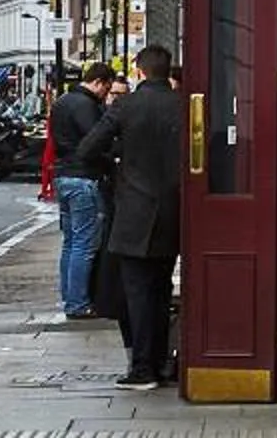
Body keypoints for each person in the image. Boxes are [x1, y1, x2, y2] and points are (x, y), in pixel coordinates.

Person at [80, 43, 182, 389]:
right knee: (161, 290)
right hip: (173, 209)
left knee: (137, 294)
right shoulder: (184, 105)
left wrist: (117, 162)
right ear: (167, 71)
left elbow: (87, 149)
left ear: (139, 70)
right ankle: (161, 363)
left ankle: (142, 369)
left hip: (134, 210)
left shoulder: (126, 106)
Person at [49, 63, 117, 318]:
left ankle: (69, 298)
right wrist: (113, 158)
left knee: (70, 243)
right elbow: (96, 140)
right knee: (85, 244)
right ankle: (77, 303)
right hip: (83, 178)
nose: (106, 94)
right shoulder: (86, 106)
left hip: (63, 176)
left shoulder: (63, 101)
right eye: (106, 88)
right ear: (99, 82)